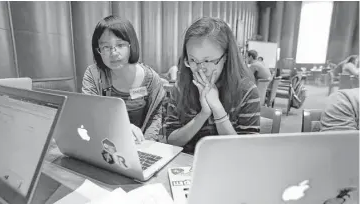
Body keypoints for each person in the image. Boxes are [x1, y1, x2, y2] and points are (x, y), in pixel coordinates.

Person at [164, 17, 260, 154]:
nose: (200, 69)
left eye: (208, 60)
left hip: (228, 166)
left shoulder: (246, 90)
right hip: (185, 167)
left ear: (226, 56)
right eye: (192, 60)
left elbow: (245, 152)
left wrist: (217, 108)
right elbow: (172, 141)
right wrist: (203, 114)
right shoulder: (181, 87)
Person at [82, 15, 165, 142]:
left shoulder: (151, 79)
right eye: (106, 47)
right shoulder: (94, 75)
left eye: (120, 45)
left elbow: (155, 118)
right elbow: (90, 113)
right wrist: (122, 127)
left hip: (139, 145)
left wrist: (146, 147)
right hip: (104, 144)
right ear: (98, 50)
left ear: (131, 45)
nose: (113, 53)